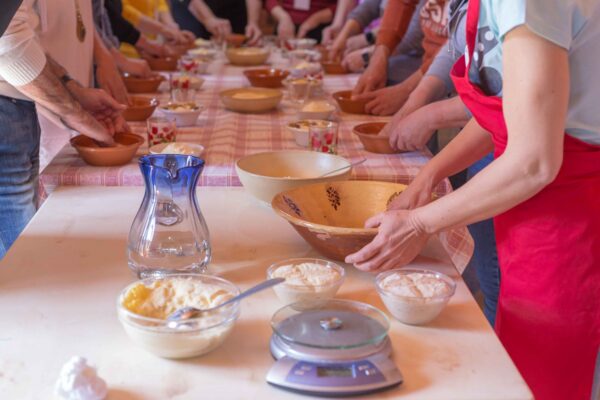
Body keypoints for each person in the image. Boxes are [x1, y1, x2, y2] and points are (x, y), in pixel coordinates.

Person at [347, 0, 600, 398]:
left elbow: (533, 160)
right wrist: (430, 175)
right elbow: (506, 110)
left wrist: (419, 223)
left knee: (556, 377)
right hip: (535, 213)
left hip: (573, 221)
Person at [0, 0, 124, 259]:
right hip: (6, 110)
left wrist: (74, 90)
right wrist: (75, 115)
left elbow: (23, 33)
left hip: (17, 107)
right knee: (22, 267)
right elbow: (7, 44)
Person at [351, 0, 451, 115]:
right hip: (431, 71)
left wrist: (408, 90)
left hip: (458, 83)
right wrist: (378, 56)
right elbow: (401, 2)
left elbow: (459, 48)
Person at [169, 0, 262, 44]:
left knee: (240, 44)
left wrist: (253, 22)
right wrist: (208, 19)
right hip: (192, 8)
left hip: (235, 6)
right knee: (197, 49)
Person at [266, 0, 337, 42]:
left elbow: (341, 5)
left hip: (320, 29)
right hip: (285, 26)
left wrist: (316, 18)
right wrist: (283, 17)